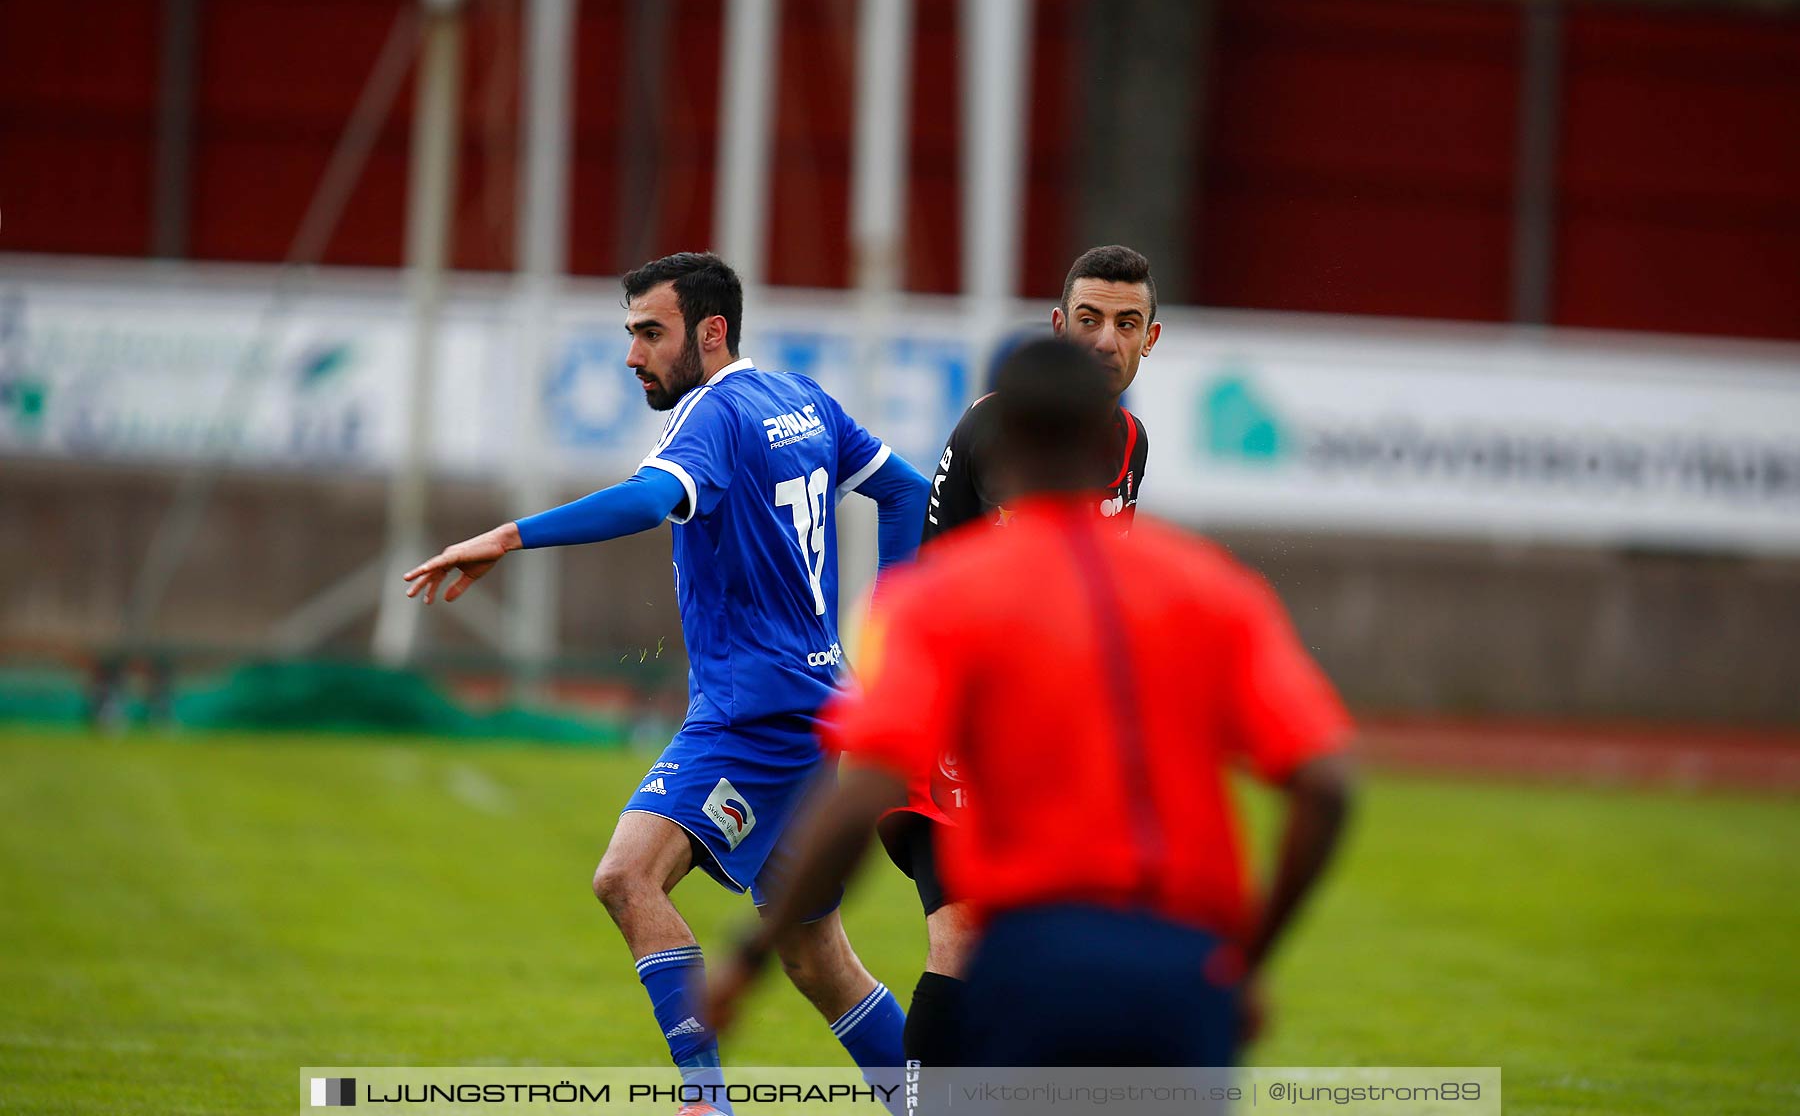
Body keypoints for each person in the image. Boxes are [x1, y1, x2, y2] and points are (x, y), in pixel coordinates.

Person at [706, 337, 1354, 1067]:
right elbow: (1327, 787)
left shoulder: (945, 597)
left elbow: (863, 797)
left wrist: (751, 956)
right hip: (1185, 973)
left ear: (1000, 436)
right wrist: (1248, 962)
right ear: (1108, 438)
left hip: (1034, 962)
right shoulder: (1214, 589)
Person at [402, 252, 930, 1116]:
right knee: (815, 959)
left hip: (752, 719)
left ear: (710, 333)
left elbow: (650, 502)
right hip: (818, 712)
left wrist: (507, 536)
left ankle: (704, 1101)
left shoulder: (712, 415)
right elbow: (905, 491)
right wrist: (895, 642)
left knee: (626, 876)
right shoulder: (798, 398)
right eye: (631, 333)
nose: (632, 354)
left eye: (651, 332)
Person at [895, 244, 1162, 1064]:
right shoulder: (991, 427)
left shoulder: (1131, 445)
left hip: (1044, 747)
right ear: (1058, 325)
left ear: (1152, 339)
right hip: (950, 729)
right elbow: (928, 583)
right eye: (1088, 320)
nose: (1104, 340)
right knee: (963, 942)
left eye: (1125, 323)